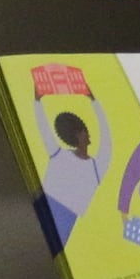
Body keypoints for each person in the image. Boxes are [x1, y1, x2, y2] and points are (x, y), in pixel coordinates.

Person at [34, 88, 112, 249]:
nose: (88, 134)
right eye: (85, 131)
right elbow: (107, 139)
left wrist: (94, 101)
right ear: (80, 134)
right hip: (48, 209)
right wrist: (93, 101)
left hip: (60, 214)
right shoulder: (94, 167)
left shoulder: (91, 166)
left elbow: (107, 139)